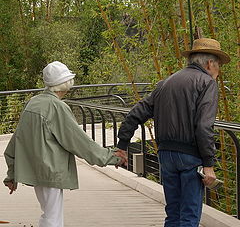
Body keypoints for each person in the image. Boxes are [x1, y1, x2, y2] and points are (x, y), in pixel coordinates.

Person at [117, 38, 230, 227]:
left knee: (173, 214)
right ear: (210, 63)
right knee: (189, 216)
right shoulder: (207, 83)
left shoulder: (166, 82)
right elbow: (204, 127)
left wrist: (122, 146)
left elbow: (135, 114)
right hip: (191, 158)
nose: (218, 71)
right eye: (219, 65)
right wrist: (209, 164)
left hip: (166, 156)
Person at [3, 61, 127, 227]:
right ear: (66, 83)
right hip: (51, 170)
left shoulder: (33, 103)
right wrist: (111, 157)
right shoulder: (57, 107)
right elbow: (79, 142)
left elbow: (16, 141)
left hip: (36, 170)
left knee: (49, 213)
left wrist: (12, 174)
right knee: (52, 218)